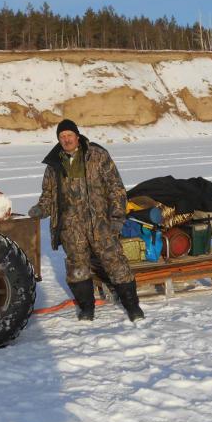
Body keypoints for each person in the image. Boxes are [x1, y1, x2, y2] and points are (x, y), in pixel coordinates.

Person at [28, 119, 144, 322]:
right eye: (62, 137)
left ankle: (133, 307)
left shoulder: (97, 155)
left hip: (101, 223)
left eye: (69, 135)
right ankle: (86, 309)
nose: (66, 140)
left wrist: (117, 217)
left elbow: (116, 188)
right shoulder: (54, 165)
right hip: (71, 228)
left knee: (115, 263)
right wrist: (40, 209)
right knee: (77, 269)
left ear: (77, 136)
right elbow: (48, 197)